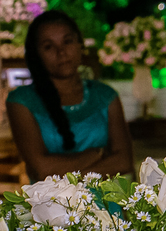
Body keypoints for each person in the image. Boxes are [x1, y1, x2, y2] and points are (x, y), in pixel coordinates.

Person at [7, 10, 133, 181]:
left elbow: (124, 162)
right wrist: (97, 154)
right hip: (50, 197)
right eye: (49, 46)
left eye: (67, 42)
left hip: (104, 198)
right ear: (36, 54)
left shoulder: (105, 96)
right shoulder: (22, 101)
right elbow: (41, 169)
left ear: (80, 44)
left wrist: (64, 174)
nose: (61, 52)